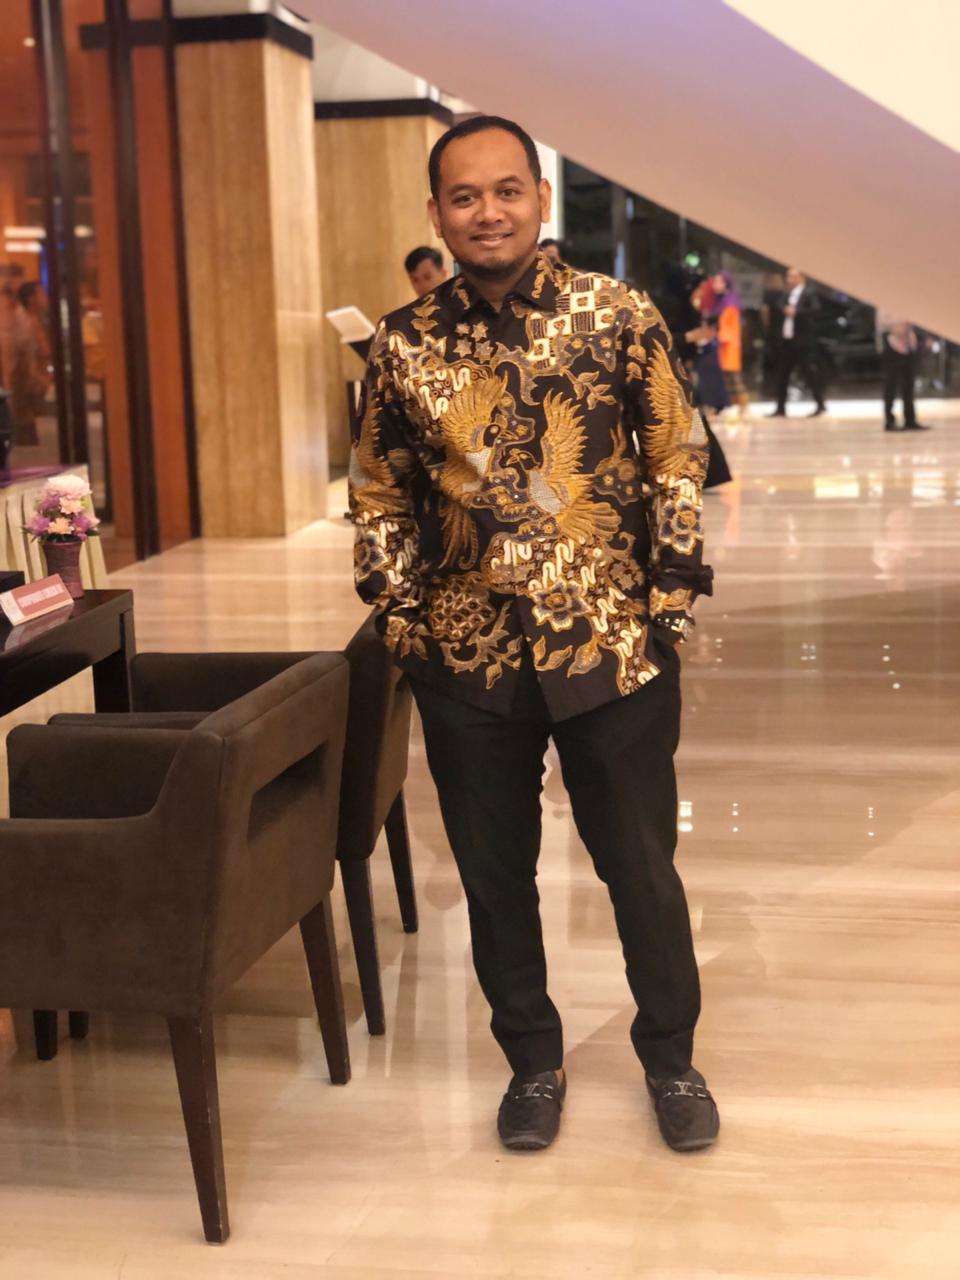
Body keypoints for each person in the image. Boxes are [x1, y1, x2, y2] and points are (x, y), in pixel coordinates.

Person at [350, 114, 719, 1155]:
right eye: (464, 196)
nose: (488, 212)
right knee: (493, 873)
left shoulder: (616, 314)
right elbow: (379, 488)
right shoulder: (403, 343)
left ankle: (672, 1058)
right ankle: (533, 1061)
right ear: (436, 213)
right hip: (468, 655)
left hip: (613, 645)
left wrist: (671, 602)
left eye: (507, 190)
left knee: (640, 866)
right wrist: (403, 616)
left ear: (541, 199)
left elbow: (676, 456)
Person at [769, 267, 827, 418]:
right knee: (782, 374)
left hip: (803, 341)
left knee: (809, 373)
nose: (790, 280)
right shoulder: (786, 293)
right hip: (788, 340)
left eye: (793, 277)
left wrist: (798, 312)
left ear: (801, 278)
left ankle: (820, 404)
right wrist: (785, 309)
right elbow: (779, 305)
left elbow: (816, 310)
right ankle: (780, 408)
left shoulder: (809, 293)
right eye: (788, 277)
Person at [8, 281, 52, 446]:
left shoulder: (34, 320)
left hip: (32, 384)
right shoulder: (24, 322)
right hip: (27, 386)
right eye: (42, 294)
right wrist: (42, 379)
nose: (45, 298)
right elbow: (28, 358)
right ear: (31, 299)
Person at [877, 311, 929, 431]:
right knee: (891, 383)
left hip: (908, 341)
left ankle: (910, 420)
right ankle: (889, 421)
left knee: (909, 383)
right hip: (892, 340)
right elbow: (886, 323)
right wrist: (899, 326)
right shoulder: (884, 303)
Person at [709, 272, 749, 418]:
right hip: (721, 342)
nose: (715, 285)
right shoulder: (719, 300)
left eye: (718, 282)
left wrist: (721, 336)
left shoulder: (731, 301)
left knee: (733, 376)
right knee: (724, 377)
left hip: (729, 343)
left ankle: (743, 406)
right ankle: (726, 405)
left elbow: (731, 325)